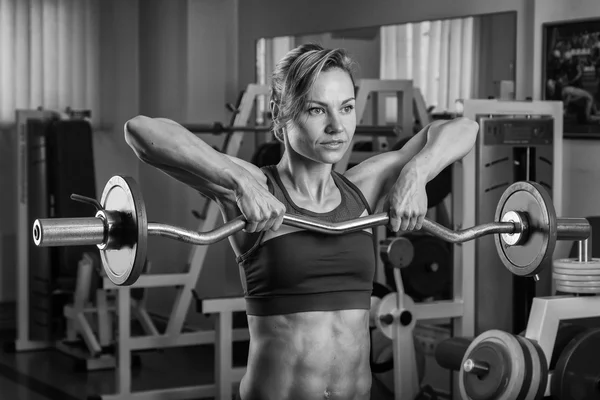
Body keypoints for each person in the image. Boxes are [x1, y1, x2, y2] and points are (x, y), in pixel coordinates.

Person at [124, 43, 479, 400]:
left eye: (347, 108)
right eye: (316, 109)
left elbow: (464, 128)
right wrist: (239, 181)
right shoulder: (256, 192)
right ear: (280, 113)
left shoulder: (363, 190)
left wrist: (417, 174)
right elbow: (142, 132)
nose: (336, 126)